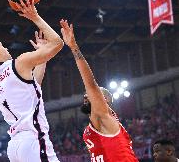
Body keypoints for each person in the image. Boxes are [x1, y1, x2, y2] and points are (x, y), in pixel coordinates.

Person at [0, 0, 63, 162]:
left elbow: (32, 88)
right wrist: (35, 17)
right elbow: (57, 43)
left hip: (15, 146)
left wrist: (41, 56)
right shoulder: (19, 63)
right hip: (33, 139)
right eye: (1, 46)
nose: (6, 48)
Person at [59, 19, 139, 162]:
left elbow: (91, 85)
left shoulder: (105, 116)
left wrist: (74, 47)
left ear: (105, 100)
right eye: (86, 95)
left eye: (90, 94)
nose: (85, 95)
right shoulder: (98, 122)